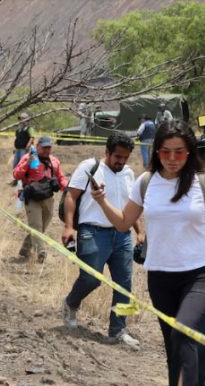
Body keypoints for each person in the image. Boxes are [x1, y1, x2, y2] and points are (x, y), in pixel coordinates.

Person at [90, 121, 205, 386]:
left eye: (179, 152)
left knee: (185, 332)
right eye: (166, 152)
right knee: (178, 349)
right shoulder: (145, 183)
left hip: (201, 273)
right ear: (157, 152)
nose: (172, 158)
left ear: (190, 152)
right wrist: (101, 201)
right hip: (160, 276)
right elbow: (124, 223)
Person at [61, 134, 143, 348]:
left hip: (122, 235)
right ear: (106, 152)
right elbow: (71, 197)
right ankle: (71, 303)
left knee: (124, 284)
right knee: (91, 278)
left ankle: (118, 330)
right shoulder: (90, 167)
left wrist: (140, 232)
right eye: (117, 156)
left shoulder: (129, 174)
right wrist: (69, 227)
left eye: (126, 157)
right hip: (93, 232)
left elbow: (131, 207)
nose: (121, 161)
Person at [12, 135, 68, 263]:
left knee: (40, 228)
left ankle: (25, 250)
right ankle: (41, 252)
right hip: (32, 198)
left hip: (48, 197)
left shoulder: (54, 161)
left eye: (49, 147)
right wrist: (27, 163)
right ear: (37, 146)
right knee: (36, 225)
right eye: (44, 148)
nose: (47, 150)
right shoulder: (28, 158)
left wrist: (68, 189)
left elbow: (60, 178)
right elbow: (16, 174)